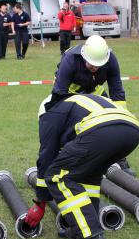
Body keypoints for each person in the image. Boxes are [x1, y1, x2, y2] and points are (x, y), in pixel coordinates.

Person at [25, 94, 139, 239]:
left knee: (57, 176)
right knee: (89, 177)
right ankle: (85, 226)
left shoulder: (49, 114)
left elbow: (47, 157)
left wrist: (40, 203)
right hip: (132, 130)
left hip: (102, 129)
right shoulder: (75, 104)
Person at [45, 34, 134, 174]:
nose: (95, 68)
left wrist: (121, 116)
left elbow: (117, 91)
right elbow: (59, 91)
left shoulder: (111, 59)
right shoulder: (70, 59)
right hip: (70, 94)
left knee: (110, 122)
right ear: (84, 56)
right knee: (72, 125)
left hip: (94, 91)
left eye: (99, 65)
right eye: (91, 64)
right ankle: (64, 157)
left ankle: (119, 160)